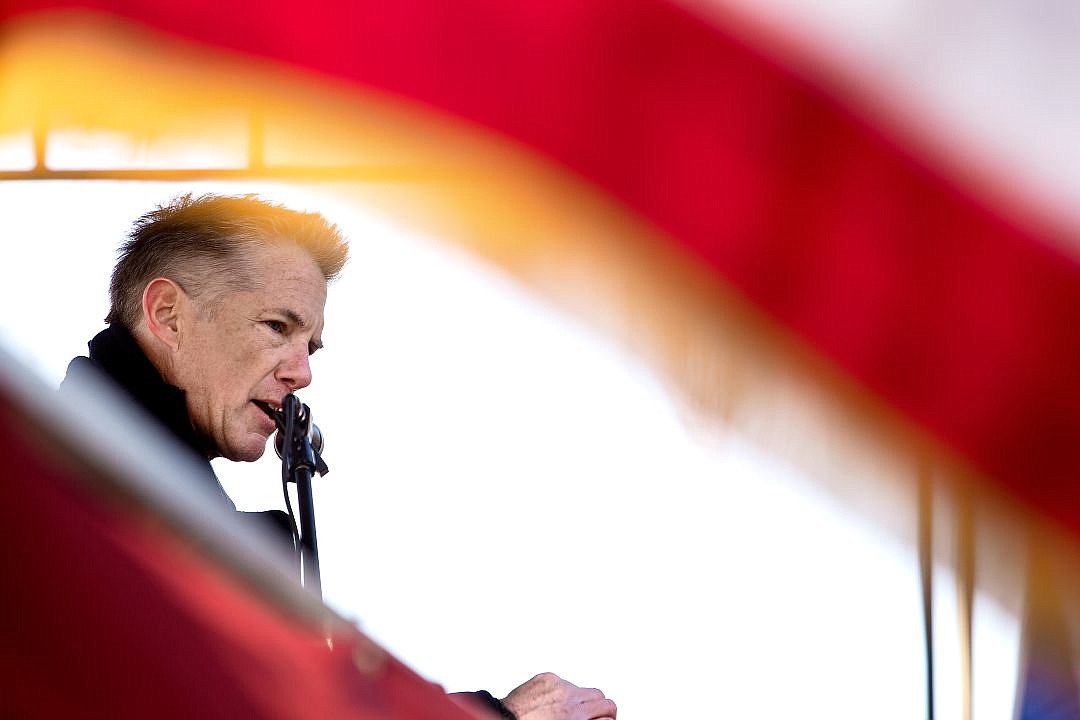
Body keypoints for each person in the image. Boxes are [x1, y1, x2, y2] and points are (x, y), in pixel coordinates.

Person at [61, 193, 617, 720]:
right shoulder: (94, 484)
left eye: (310, 347)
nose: (301, 373)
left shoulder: (125, 469)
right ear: (168, 314)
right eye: (277, 327)